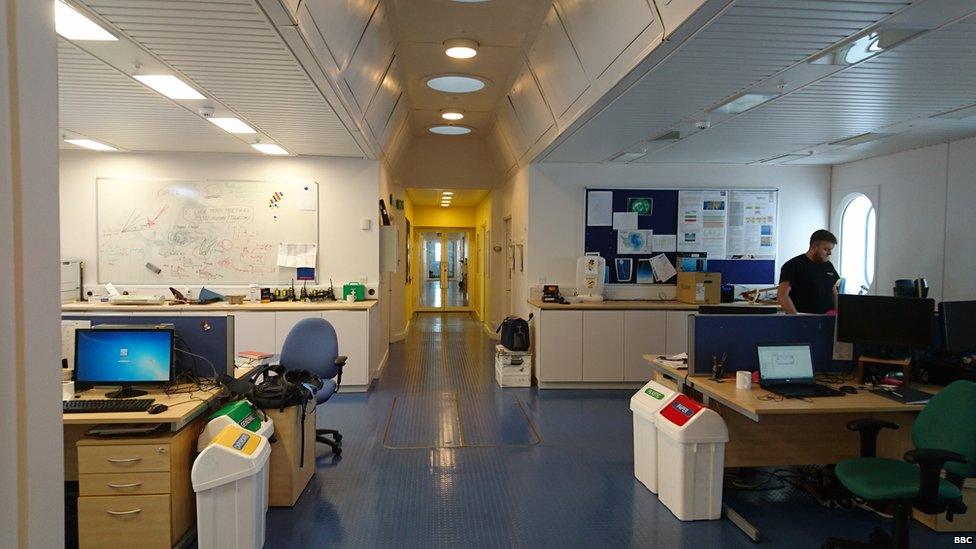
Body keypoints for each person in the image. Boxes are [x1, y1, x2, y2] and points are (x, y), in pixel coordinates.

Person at [777, 229, 840, 315]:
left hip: (827, 320)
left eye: (831, 250)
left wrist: (838, 315)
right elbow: (782, 296)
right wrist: (796, 317)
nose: (829, 253)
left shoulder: (828, 265)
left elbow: (834, 292)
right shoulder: (793, 265)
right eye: (826, 249)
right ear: (814, 247)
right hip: (802, 320)